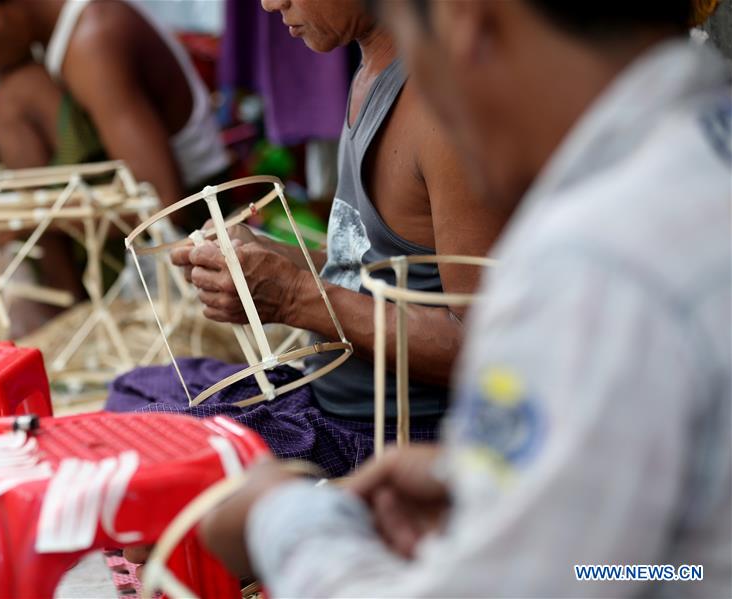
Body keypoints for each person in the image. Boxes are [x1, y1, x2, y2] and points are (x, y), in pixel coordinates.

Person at [198, 1, 732, 597]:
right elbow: (673, 566)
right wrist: (477, 485)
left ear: (468, 23)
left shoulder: (595, 263)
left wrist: (285, 518)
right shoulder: (696, 155)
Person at [106, 0, 507, 477]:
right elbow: (375, 266)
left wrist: (296, 298)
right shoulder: (372, 72)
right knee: (134, 393)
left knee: (140, 457)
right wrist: (279, 260)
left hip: (385, 440)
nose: (271, 3)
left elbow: (488, 348)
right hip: (327, 401)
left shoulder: (442, 106)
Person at [0, 0, 229, 206]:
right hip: (167, 205)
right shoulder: (41, 25)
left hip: (198, 212)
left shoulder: (92, 40)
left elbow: (165, 201)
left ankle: (69, 308)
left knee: (13, 100)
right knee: (5, 94)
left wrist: (26, 216)